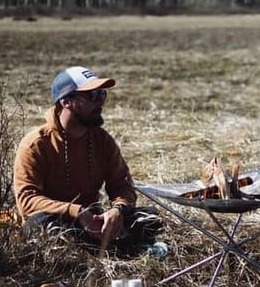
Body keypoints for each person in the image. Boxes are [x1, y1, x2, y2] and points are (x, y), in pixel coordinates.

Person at [13, 66, 162, 254]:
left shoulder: (102, 140)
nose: (100, 102)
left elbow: (122, 185)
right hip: (59, 221)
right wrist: (76, 211)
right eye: (92, 95)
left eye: (102, 95)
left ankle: (104, 245)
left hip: (96, 220)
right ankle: (110, 249)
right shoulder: (36, 144)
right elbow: (27, 201)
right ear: (67, 101)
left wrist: (117, 211)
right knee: (40, 225)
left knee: (148, 217)